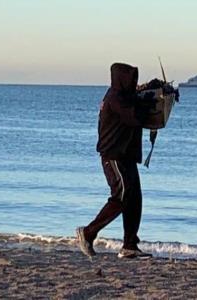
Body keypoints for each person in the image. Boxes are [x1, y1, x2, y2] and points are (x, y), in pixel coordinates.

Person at [76, 62, 152, 259]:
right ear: (122, 79)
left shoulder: (124, 97)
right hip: (114, 156)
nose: (134, 82)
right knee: (122, 196)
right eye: (131, 78)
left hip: (125, 155)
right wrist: (148, 104)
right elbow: (135, 117)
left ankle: (130, 245)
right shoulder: (116, 98)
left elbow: (135, 106)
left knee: (135, 199)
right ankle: (88, 232)